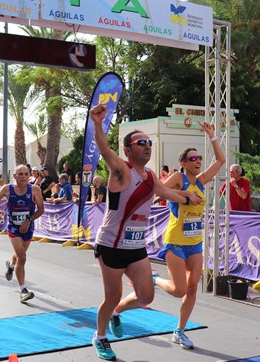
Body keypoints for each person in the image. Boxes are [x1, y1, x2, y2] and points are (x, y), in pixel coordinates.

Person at [88, 103, 201, 361]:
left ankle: (117, 313)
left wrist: (186, 198)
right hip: (111, 245)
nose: (147, 146)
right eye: (141, 143)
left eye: (149, 142)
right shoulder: (121, 169)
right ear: (128, 150)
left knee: (147, 295)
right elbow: (104, 149)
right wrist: (97, 123)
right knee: (112, 295)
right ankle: (100, 336)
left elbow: (165, 193)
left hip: (136, 247)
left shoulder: (150, 175)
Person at [153, 123, 225, 350]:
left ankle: (179, 331)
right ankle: (153, 279)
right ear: (183, 163)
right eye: (193, 158)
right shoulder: (178, 178)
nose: (198, 161)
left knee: (193, 288)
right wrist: (184, 194)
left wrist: (213, 136)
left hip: (195, 242)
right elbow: (159, 190)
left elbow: (221, 161)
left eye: (200, 158)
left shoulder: (201, 181)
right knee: (179, 290)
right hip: (175, 240)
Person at [0, 165, 45, 302]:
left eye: (26, 174)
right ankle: (23, 290)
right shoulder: (7, 189)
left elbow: (41, 209)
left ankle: (10, 266)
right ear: (15, 176)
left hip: (28, 227)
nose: (23, 176)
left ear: (29, 176)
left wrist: (29, 220)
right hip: (13, 227)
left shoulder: (35, 190)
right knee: (22, 257)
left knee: (19, 255)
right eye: (20, 174)